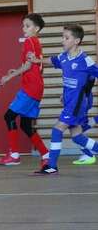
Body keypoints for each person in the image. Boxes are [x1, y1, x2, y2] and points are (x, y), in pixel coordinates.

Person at [29, 24, 98, 175]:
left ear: (77, 41)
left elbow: (93, 76)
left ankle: (51, 165)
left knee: (57, 129)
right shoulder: (64, 57)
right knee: (77, 137)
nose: (62, 41)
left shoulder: (85, 61)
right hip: (69, 102)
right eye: (62, 37)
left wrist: (86, 91)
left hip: (76, 105)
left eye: (66, 38)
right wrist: (35, 60)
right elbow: (52, 61)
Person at [0, 13, 49, 167]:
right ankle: (45, 154)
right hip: (37, 87)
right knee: (26, 125)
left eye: (27, 26)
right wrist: (17, 71)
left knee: (9, 116)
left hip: (30, 87)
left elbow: (29, 65)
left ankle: (14, 155)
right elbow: (31, 65)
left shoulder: (29, 41)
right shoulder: (36, 42)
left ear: (36, 28)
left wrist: (8, 78)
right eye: (23, 25)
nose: (23, 28)